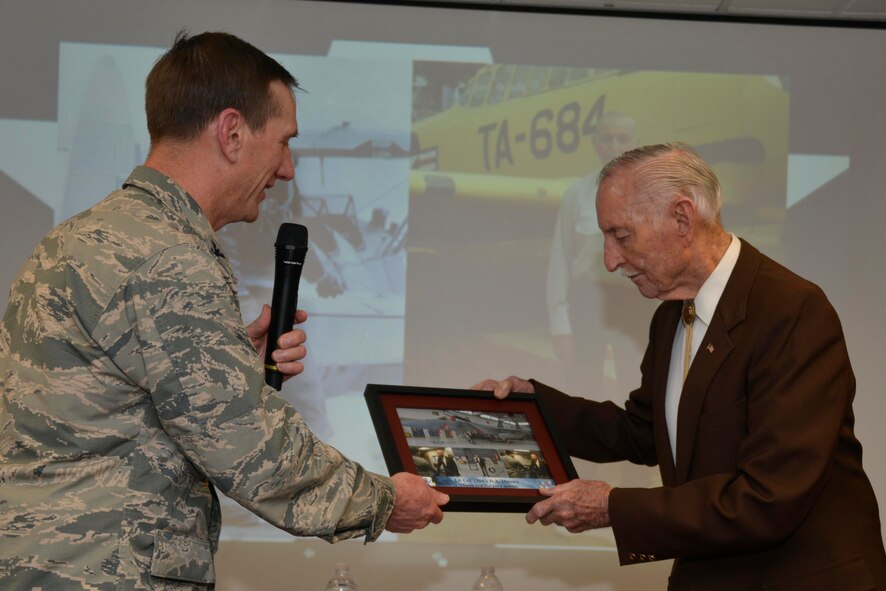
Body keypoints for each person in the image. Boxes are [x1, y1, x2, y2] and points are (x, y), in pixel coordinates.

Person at [0, 31, 447, 589]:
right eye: (283, 141)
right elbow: (254, 452)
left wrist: (230, 359)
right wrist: (383, 500)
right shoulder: (169, 258)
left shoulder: (80, 236)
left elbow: (109, 402)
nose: (287, 169)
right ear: (232, 133)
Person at [476, 143, 886, 589]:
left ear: (682, 219)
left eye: (621, 235)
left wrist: (613, 507)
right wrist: (533, 411)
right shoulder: (672, 314)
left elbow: (769, 499)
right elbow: (644, 431)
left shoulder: (792, 313)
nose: (610, 260)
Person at [546, 113, 638, 391]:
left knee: (638, 391)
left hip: (635, 304)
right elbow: (560, 260)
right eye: (607, 138)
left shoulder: (651, 196)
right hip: (587, 303)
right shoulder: (576, 193)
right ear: (595, 143)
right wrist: (559, 325)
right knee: (583, 391)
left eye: (622, 139)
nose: (614, 145)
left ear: (635, 143)